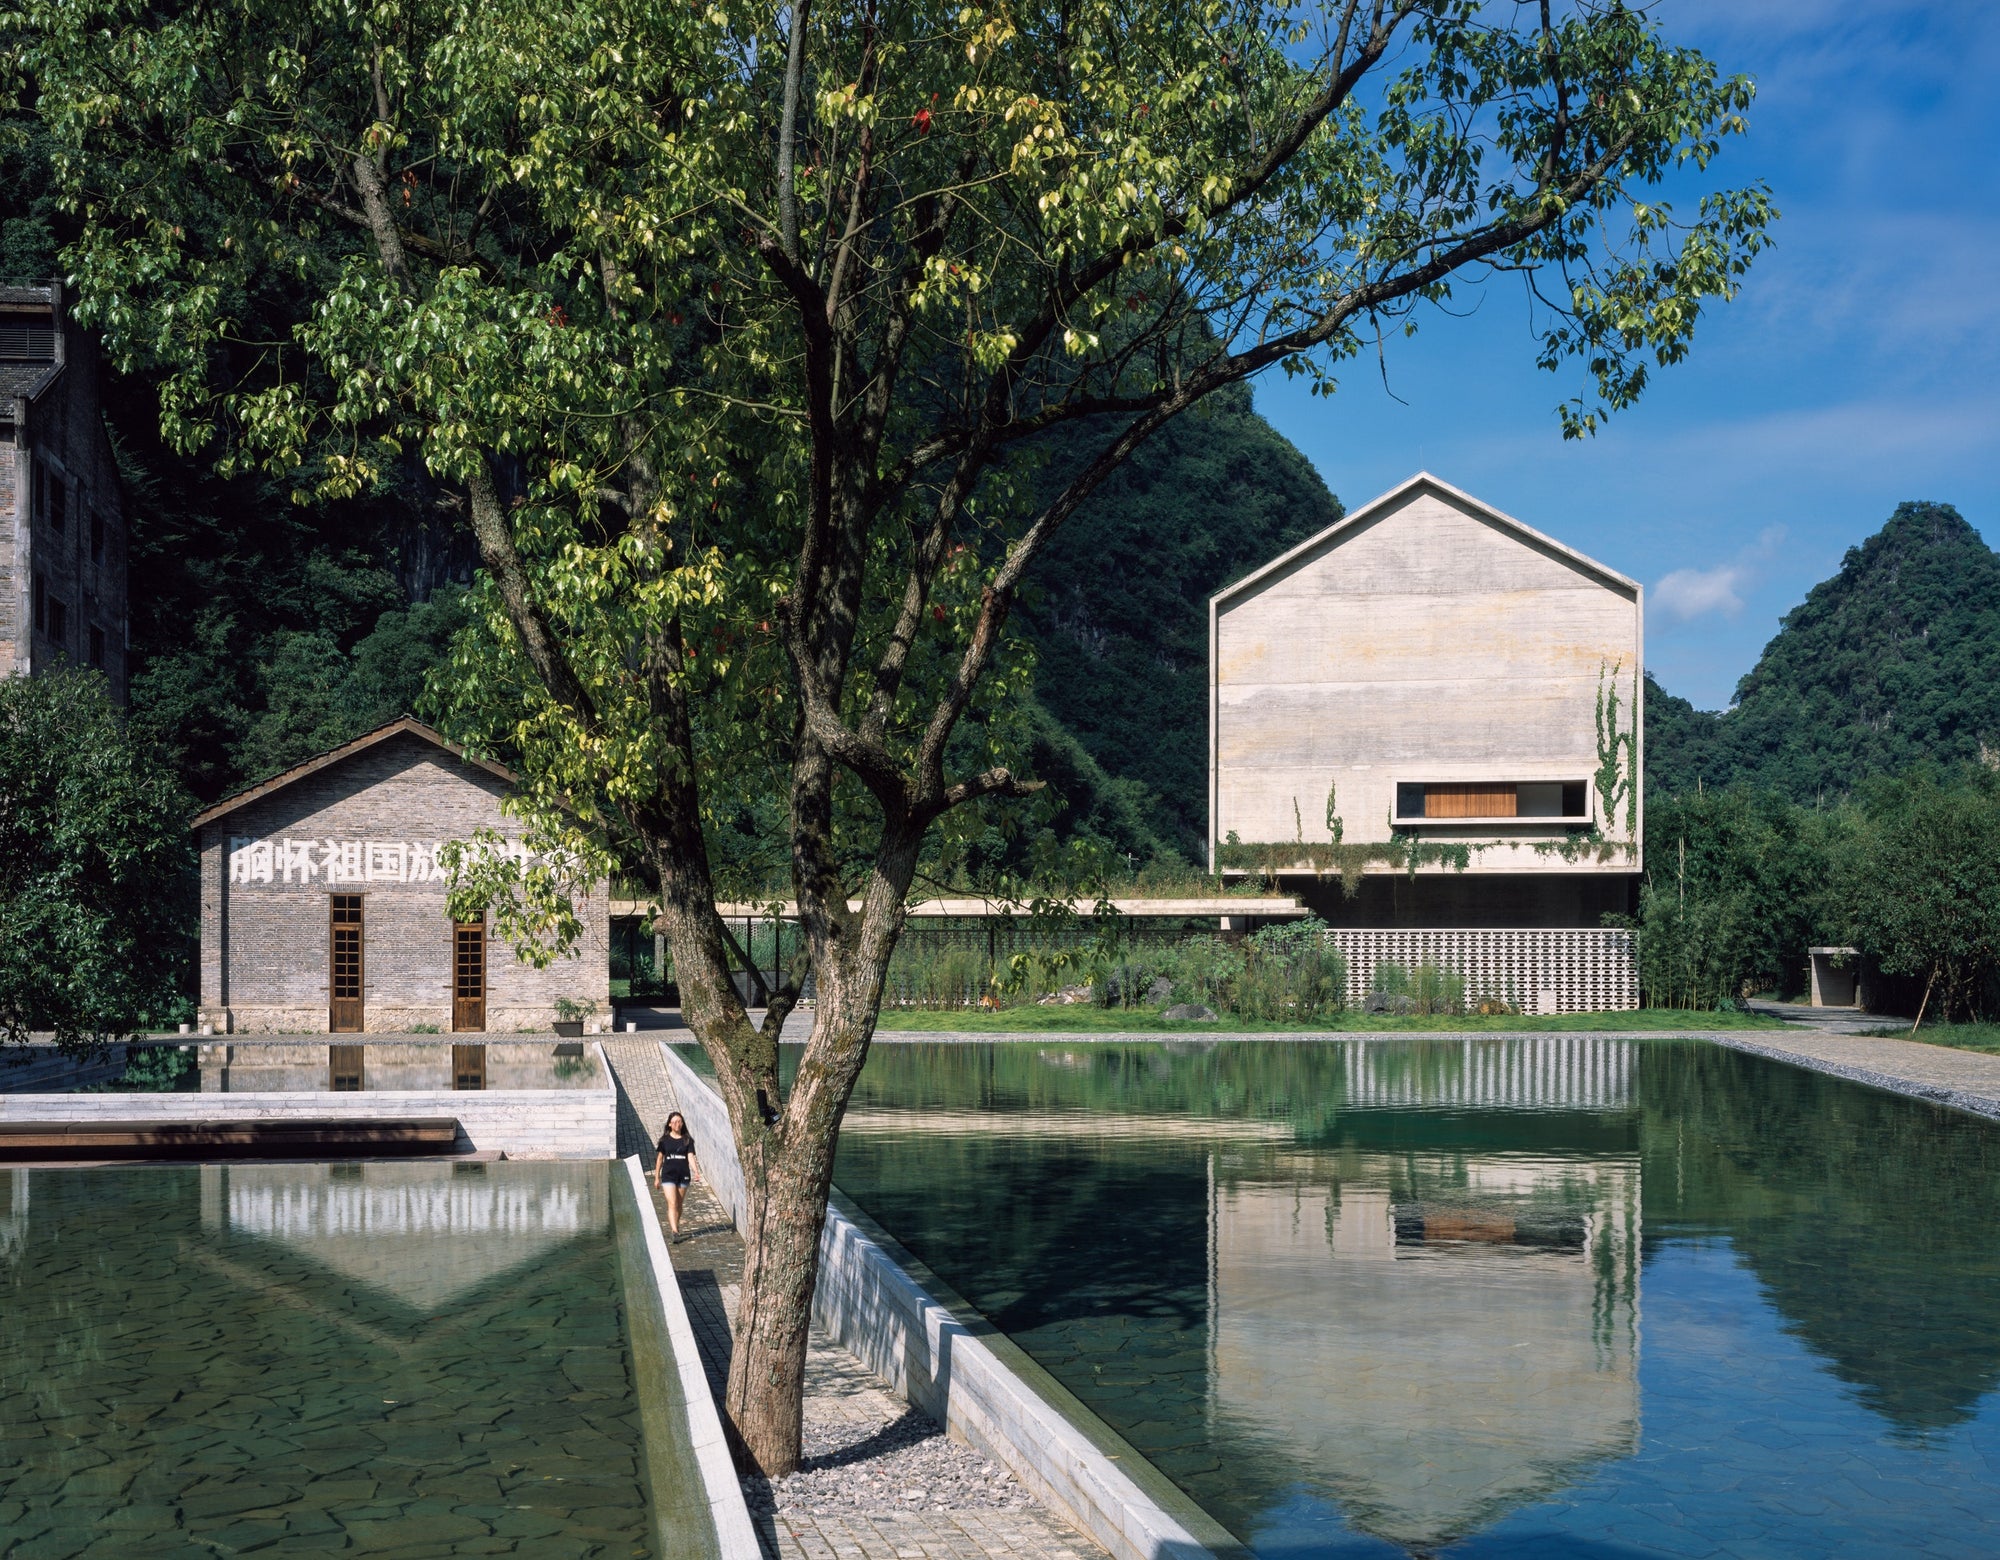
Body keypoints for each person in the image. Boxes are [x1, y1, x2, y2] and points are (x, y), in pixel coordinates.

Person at [652, 1111, 701, 1238]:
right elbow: (659, 1159)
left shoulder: (687, 1140)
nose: (677, 1124)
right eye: (674, 1122)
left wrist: (696, 1171)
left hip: (683, 1175)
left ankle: (676, 1225)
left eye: (679, 1121)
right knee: (672, 1203)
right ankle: (674, 1231)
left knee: (679, 1203)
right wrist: (657, 1177)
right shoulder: (664, 1141)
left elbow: (690, 1156)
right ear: (669, 1124)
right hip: (668, 1176)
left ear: (682, 1123)